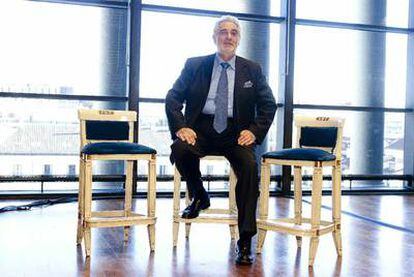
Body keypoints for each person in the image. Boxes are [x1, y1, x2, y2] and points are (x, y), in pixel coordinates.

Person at [165, 15, 276, 265]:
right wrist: (182, 127)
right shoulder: (195, 65)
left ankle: (246, 240)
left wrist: (254, 131)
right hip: (200, 129)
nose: (228, 36)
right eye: (223, 32)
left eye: (234, 32)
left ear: (239, 39)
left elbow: (268, 105)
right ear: (214, 37)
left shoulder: (252, 69)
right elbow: (173, 98)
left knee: (248, 168)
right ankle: (200, 194)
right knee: (180, 149)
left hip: (236, 132)